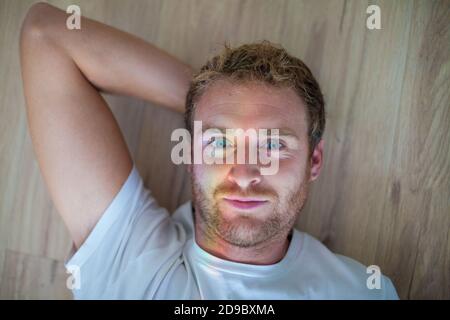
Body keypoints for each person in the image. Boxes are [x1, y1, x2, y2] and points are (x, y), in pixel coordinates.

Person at [20, 2, 398, 299]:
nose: (245, 174)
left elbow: (44, 36)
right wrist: (204, 98)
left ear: (314, 161)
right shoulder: (131, 262)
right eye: (219, 144)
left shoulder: (361, 291)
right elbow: (45, 34)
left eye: (273, 144)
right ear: (189, 155)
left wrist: (217, 110)